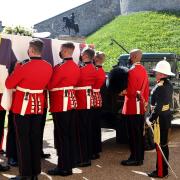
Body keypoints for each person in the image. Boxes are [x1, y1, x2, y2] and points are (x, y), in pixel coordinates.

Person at [5, 38, 53, 180]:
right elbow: (48, 85)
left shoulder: (24, 67)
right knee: (34, 139)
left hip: (23, 107)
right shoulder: (48, 66)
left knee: (23, 141)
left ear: (31, 50)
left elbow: (9, 84)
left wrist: (16, 70)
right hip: (38, 106)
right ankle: (35, 173)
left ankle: (25, 174)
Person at [48, 42, 80, 176]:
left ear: (65, 51)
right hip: (71, 102)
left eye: (61, 50)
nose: (59, 52)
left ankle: (63, 167)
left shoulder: (60, 67)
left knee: (62, 137)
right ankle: (69, 163)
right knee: (69, 135)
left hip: (61, 103)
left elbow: (51, 85)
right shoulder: (76, 66)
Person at [120, 49, 149, 166]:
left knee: (133, 134)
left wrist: (122, 92)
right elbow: (146, 89)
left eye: (130, 56)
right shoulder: (143, 70)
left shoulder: (132, 71)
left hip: (132, 106)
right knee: (139, 134)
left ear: (133, 56)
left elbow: (131, 91)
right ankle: (139, 157)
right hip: (141, 106)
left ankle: (135, 158)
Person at [147, 60, 174, 178]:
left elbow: (158, 107)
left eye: (157, 72)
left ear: (162, 74)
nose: (155, 74)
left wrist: (150, 119)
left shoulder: (160, 87)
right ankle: (164, 170)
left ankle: (161, 172)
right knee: (164, 145)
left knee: (160, 146)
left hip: (159, 120)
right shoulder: (168, 84)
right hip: (166, 117)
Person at [75, 48, 97, 167]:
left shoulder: (82, 69)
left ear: (84, 55)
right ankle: (87, 155)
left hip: (81, 101)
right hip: (89, 100)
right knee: (87, 129)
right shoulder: (94, 68)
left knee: (81, 131)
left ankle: (83, 158)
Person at [91, 51, 106, 159]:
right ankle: (96, 149)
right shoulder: (101, 70)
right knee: (96, 126)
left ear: (96, 59)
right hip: (98, 99)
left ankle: (92, 150)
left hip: (92, 98)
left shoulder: (95, 71)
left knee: (92, 126)